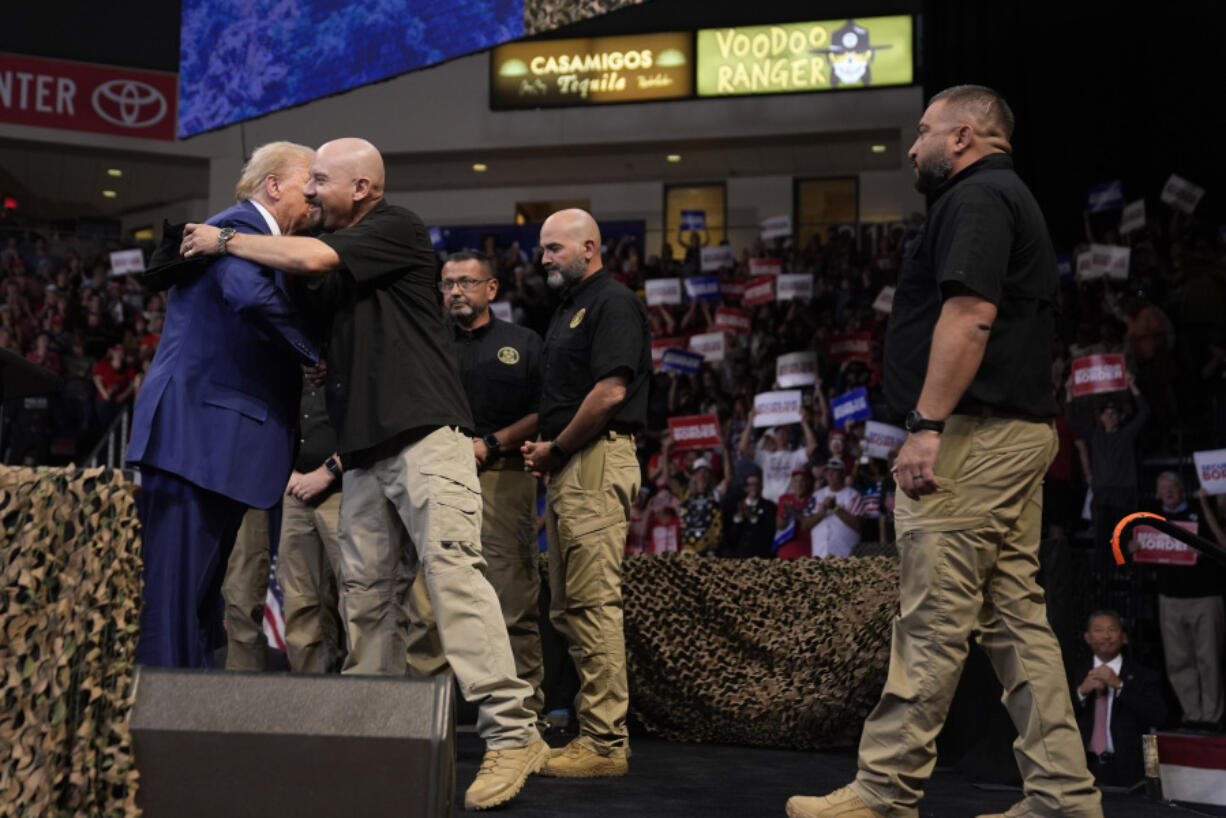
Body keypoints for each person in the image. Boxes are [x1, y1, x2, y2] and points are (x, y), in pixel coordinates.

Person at [180, 138, 547, 810]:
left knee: (454, 578)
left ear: (365, 189)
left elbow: (313, 255)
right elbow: (297, 298)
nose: (311, 190)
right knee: (365, 601)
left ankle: (513, 735)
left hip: (429, 440)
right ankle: (368, 738)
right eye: (307, 179)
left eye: (322, 179)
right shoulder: (325, 269)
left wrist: (224, 241)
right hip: (365, 458)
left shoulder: (395, 227)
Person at [787, 86, 1103, 818]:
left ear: (963, 135)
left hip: (975, 438)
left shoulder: (978, 197)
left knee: (932, 619)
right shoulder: (1000, 195)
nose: (912, 147)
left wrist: (926, 424)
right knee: (1015, 619)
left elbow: (970, 315)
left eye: (923, 132)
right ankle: (1062, 796)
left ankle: (883, 792)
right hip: (1011, 434)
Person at [127, 141, 319, 668]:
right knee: (174, 599)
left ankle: (182, 724)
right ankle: (158, 729)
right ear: (274, 185)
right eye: (311, 182)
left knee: (193, 598)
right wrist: (312, 354)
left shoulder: (249, 235)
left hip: (210, 441)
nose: (317, 195)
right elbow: (250, 297)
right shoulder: (241, 227)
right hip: (200, 440)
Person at [521, 208, 649, 778]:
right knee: (568, 606)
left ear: (590, 247)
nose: (543, 258)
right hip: (574, 464)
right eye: (542, 249)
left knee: (593, 604)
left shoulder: (611, 302)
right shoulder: (569, 307)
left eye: (553, 248)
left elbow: (609, 393)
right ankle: (593, 733)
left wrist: (557, 448)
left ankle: (604, 743)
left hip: (594, 458)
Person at [406, 249, 548, 731]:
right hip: (433, 478)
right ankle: (429, 723)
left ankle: (526, 719)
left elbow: (547, 409)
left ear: (492, 289)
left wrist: (492, 443)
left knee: (512, 600)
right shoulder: (424, 342)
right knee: (425, 604)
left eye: (466, 282)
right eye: (447, 284)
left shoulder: (524, 343)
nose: (455, 292)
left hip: (503, 476)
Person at [1144, 474, 1225, 729]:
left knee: (1209, 660)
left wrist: (1204, 509)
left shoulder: (1200, 511)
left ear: (1182, 489)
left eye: (1173, 487)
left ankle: (1212, 717)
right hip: (1170, 599)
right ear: (1157, 493)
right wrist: (1134, 547)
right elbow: (1138, 546)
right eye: (1163, 488)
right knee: (1178, 661)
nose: (1168, 492)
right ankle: (1192, 714)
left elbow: (1222, 544)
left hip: (1204, 598)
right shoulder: (1152, 518)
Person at [278, 372, 346, 673]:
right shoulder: (287, 361)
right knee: (300, 599)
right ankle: (309, 697)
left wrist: (329, 470)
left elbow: (371, 418)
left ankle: (366, 698)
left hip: (348, 488)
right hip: (294, 491)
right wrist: (283, 469)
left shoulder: (352, 354)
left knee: (359, 598)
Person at [1071, 611, 1166, 787]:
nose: (1106, 636)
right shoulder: (1073, 672)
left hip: (1127, 770)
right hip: (1081, 768)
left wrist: (1120, 686)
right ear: (1087, 637)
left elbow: (1158, 716)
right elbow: (1053, 715)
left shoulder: (1144, 675)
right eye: (1098, 630)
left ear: (1124, 637)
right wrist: (1082, 692)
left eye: (1112, 630)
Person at [799, 458, 863, 558]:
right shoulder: (817, 495)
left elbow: (858, 524)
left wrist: (835, 508)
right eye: (827, 471)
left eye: (834, 471)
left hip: (846, 555)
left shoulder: (853, 495)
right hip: (819, 555)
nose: (830, 474)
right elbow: (804, 525)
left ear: (843, 474)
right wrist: (821, 513)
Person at [723, 470, 777, 559]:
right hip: (740, 555)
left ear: (761, 487)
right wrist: (739, 517)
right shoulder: (736, 505)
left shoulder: (769, 507)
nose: (754, 488)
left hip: (761, 555)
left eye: (756, 484)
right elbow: (730, 535)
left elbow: (768, 532)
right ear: (746, 488)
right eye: (751, 485)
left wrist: (752, 516)